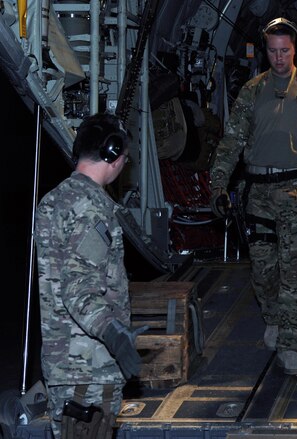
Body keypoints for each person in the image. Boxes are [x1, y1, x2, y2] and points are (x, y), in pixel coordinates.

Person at [209, 17, 297, 375]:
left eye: (285, 51)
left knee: (294, 272)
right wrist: (219, 185)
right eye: (273, 51)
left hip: (296, 193)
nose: (279, 58)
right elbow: (231, 141)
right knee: (264, 272)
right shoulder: (251, 91)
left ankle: (290, 343)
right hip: (258, 194)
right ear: (265, 51)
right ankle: (274, 317)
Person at [34, 113, 145, 438]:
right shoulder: (92, 208)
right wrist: (115, 336)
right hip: (90, 370)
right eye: (125, 157)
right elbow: (78, 290)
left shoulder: (54, 200)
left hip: (63, 365)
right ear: (113, 154)